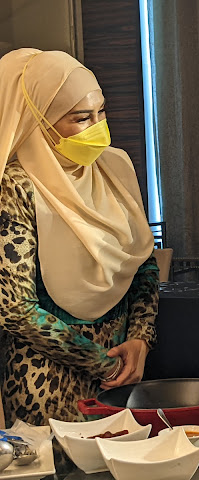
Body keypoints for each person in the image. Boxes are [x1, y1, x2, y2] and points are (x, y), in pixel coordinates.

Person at [0, 49, 159, 426]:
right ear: (40, 121)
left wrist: (140, 339)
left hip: (123, 375)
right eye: (81, 117)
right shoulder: (16, 187)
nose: (98, 127)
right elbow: (15, 308)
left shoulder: (114, 168)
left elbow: (142, 262)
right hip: (46, 384)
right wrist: (100, 363)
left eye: (101, 111)